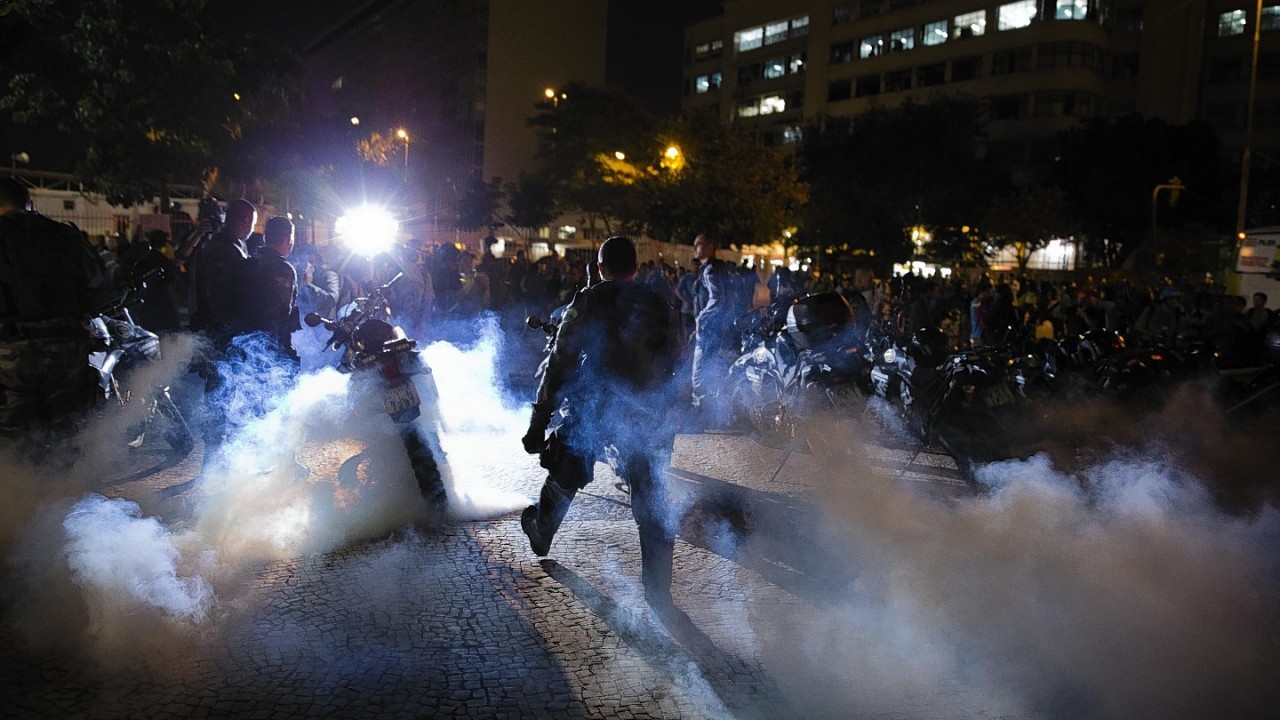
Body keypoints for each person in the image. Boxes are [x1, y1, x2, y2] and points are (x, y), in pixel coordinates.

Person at [519, 236, 680, 611]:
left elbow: (558, 363)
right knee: (650, 493)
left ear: (601, 267)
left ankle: (542, 533)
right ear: (635, 269)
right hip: (647, 413)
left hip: (597, 407)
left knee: (565, 468)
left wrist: (537, 423)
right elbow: (677, 360)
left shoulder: (589, 301)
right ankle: (658, 590)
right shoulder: (659, 303)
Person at [0, 178, 107, 434]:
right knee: (67, 440)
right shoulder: (65, 235)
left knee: (12, 445)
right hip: (66, 349)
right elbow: (99, 291)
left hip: (8, 355)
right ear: (29, 202)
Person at [689, 233, 736, 427]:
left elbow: (717, 298)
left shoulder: (710, 270)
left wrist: (702, 320)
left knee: (699, 373)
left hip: (709, 330)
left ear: (709, 247)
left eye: (698, 245)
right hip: (714, 329)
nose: (695, 249)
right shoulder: (719, 268)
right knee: (709, 370)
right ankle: (713, 413)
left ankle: (701, 415)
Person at [240, 215, 301, 366]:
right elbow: (277, 313)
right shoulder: (283, 269)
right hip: (265, 348)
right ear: (288, 238)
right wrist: (273, 353)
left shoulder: (248, 263)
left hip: (243, 342)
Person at [129, 229, 183, 333]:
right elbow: (173, 279)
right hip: (164, 302)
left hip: (147, 303)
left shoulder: (142, 261)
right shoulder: (164, 261)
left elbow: (135, 281)